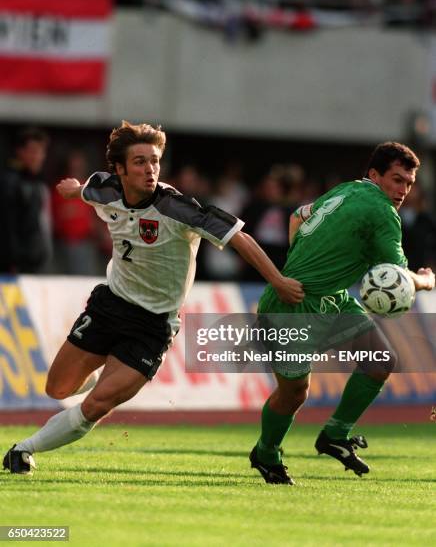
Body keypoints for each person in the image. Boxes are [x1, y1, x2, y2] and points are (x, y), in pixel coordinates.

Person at [3, 120, 304, 475]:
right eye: (140, 162)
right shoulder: (104, 187)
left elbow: (240, 238)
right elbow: (86, 190)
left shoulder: (178, 208)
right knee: (57, 388)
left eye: (155, 161)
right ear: (120, 169)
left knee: (98, 403)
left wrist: (278, 281)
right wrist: (73, 189)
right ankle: (105, 366)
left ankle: (22, 450)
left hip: (153, 325)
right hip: (110, 306)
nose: (150, 169)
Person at [249, 142, 435, 485]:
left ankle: (335, 435)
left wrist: (301, 260)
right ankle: (266, 453)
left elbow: (297, 216)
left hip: (330, 299)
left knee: (380, 360)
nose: (402, 190)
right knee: (294, 394)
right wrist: (426, 279)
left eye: (409, 183)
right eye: (396, 180)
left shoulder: (345, 190)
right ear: (374, 175)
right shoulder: (381, 211)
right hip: (292, 306)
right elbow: (399, 277)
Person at [0, 127, 52, 274]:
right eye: (33, 151)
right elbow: (7, 227)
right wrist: (12, 262)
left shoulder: (38, 183)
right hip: (16, 268)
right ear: (20, 152)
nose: (38, 156)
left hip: (36, 265)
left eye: (41, 151)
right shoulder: (10, 183)